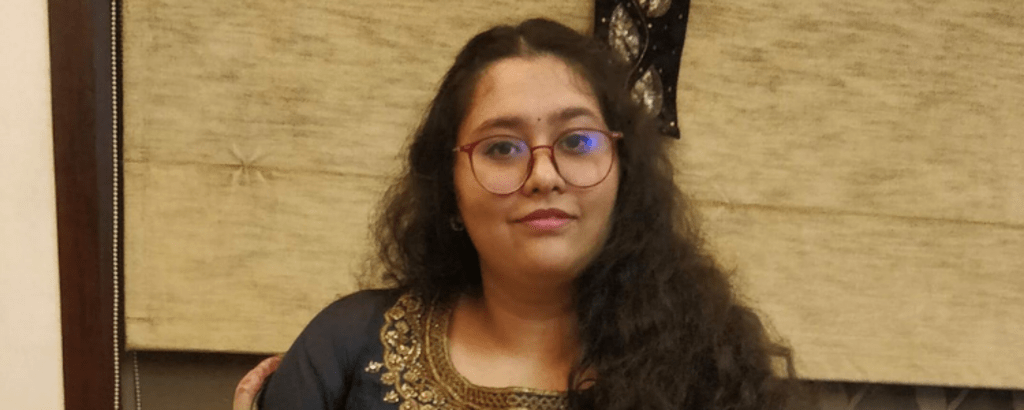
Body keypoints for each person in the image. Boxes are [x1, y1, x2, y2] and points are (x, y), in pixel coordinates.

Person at [242, 17, 797, 410]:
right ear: (449, 187)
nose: (544, 175)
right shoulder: (349, 343)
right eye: (502, 147)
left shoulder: (708, 368)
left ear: (623, 172)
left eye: (577, 141)